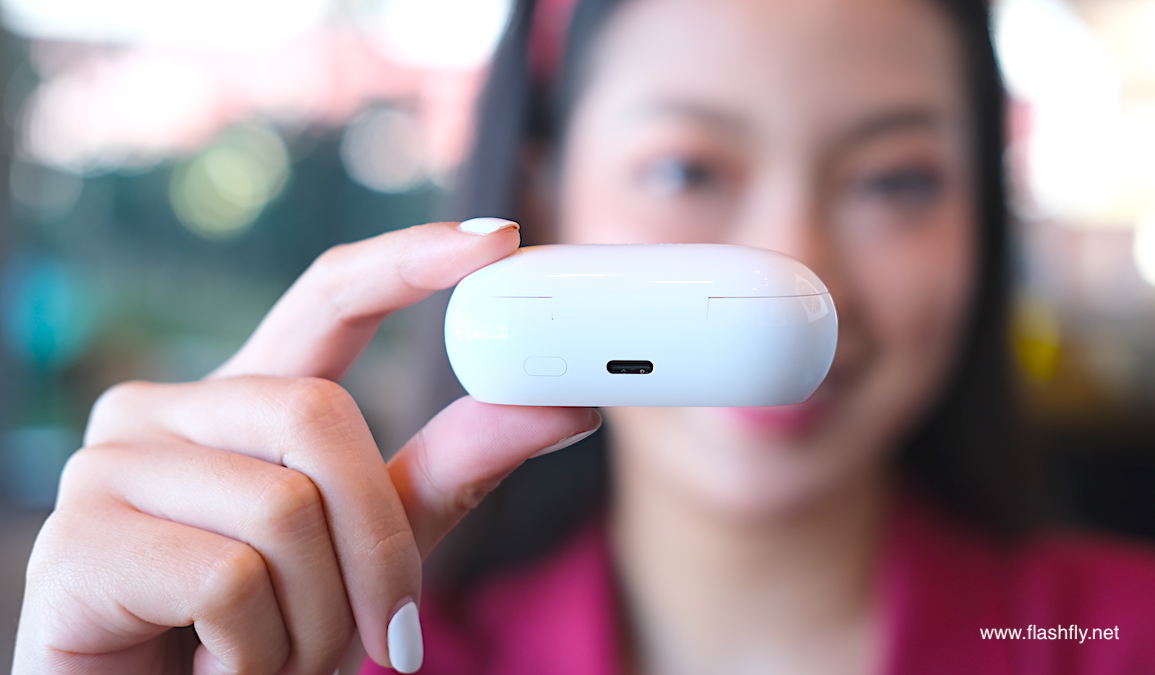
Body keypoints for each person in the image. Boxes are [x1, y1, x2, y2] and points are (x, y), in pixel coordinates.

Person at [14, 0, 1155, 673]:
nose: (797, 261)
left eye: (897, 178)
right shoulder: (349, 652)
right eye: (685, 168)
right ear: (541, 200)